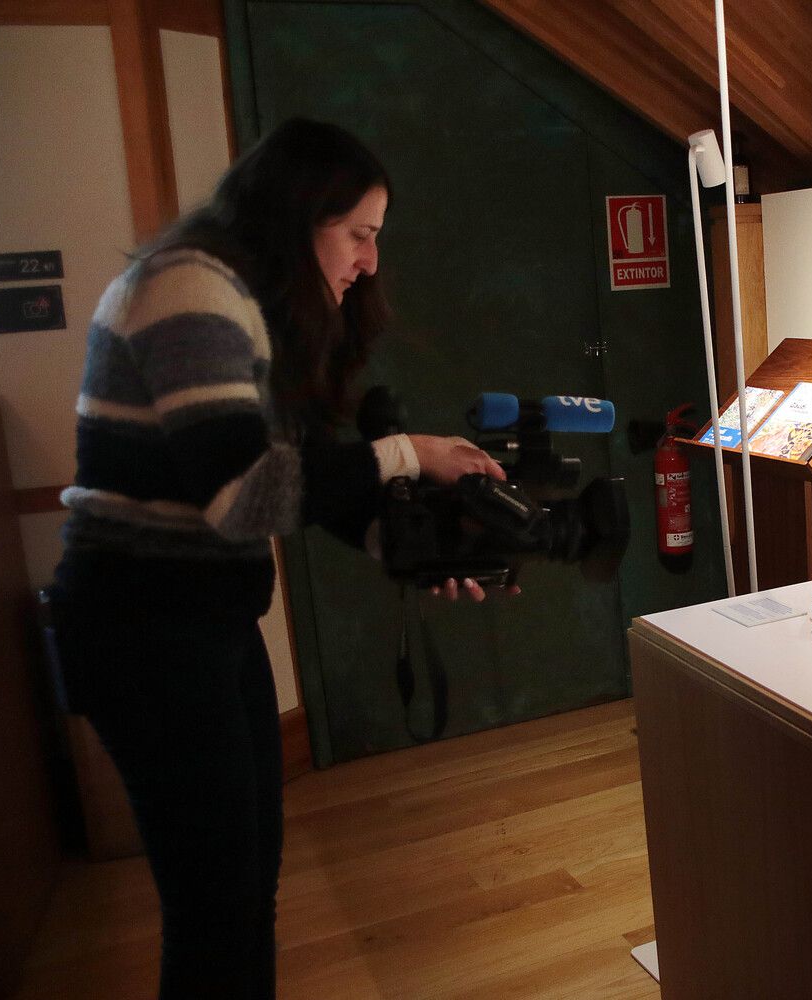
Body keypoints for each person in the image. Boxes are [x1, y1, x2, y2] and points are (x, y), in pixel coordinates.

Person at [49, 118, 498, 998]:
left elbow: (301, 481)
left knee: (247, 890)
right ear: (299, 215)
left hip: (203, 624)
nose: (368, 262)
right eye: (358, 234)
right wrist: (406, 453)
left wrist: (404, 546)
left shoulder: (245, 302)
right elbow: (244, 496)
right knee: (217, 906)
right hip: (139, 633)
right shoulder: (187, 287)